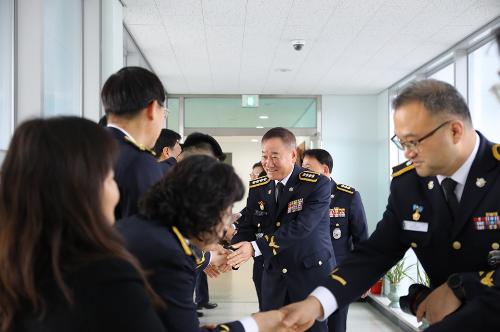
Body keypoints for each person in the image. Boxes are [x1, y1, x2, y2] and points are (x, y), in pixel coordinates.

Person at [280, 79, 500, 331]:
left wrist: (460, 287)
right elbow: (375, 253)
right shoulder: (408, 185)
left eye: (414, 141)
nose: (407, 153)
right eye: (402, 142)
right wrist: (317, 303)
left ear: (455, 131)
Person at [0, 117, 166, 332]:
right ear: (83, 191)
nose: (116, 193)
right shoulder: (106, 277)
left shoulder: (14, 269)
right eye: (110, 178)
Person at [118, 155, 287, 332]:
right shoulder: (171, 257)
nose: (226, 224)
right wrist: (256, 324)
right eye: (227, 211)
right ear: (205, 210)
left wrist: (208, 256)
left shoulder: (143, 227)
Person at [228, 127, 334, 332]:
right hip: (274, 275)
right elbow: (249, 223)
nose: (268, 162)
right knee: (274, 327)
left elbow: (301, 227)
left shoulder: (316, 185)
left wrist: (253, 248)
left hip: (309, 275)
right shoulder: (259, 186)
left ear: (293, 155)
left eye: (274, 156)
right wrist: (233, 252)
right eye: (264, 156)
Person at [302, 149, 369, 332]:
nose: (303, 172)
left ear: (324, 170)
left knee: (336, 325)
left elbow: (361, 238)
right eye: (302, 167)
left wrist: (364, 277)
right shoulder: (300, 197)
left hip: (338, 274)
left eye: (308, 168)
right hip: (305, 273)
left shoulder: (347, 196)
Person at [101, 66, 166, 220]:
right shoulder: (140, 162)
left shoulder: (83, 147)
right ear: (152, 109)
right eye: (164, 113)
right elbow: (147, 235)